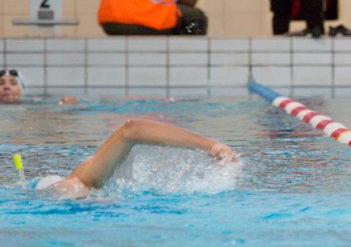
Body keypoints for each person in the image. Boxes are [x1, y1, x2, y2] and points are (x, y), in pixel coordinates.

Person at [35, 119, 239, 198]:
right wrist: (212, 146)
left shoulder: (92, 182)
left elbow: (133, 130)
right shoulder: (82, 180)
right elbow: (132, 130)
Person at [1, 68, 77, 105]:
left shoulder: (33, 104)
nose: (7, 87)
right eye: (1, 83)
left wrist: (62, 103)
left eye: (13, 83)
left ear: (21, 89)